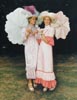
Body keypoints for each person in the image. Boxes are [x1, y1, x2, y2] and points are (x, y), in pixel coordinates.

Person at [35, 11, 57, 92]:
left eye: (48, 20)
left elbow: (47, 41)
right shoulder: (43, 29)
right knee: (41, 63)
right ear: (43, 20)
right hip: (41, 48)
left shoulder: (51, 29)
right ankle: (43, 83)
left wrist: (42, 35)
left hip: (47, 48)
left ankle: (49, 85)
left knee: (47, 64)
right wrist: (38, 33)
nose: (46, 21)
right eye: (45, 19)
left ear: (50, 21)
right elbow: (39, 40)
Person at [22, 15, 39, 92]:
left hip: (36, 46)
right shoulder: (25, 28)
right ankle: (29, 82)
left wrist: (36, 34)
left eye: (35, 19)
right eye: (32, 19)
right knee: (29, 64)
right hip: (28, 47)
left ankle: (35, 79)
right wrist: (27, 34)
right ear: (29, 20)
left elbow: (39, 38)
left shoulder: (37, 27)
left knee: (35, 63)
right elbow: (23, 40)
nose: (34, 20)